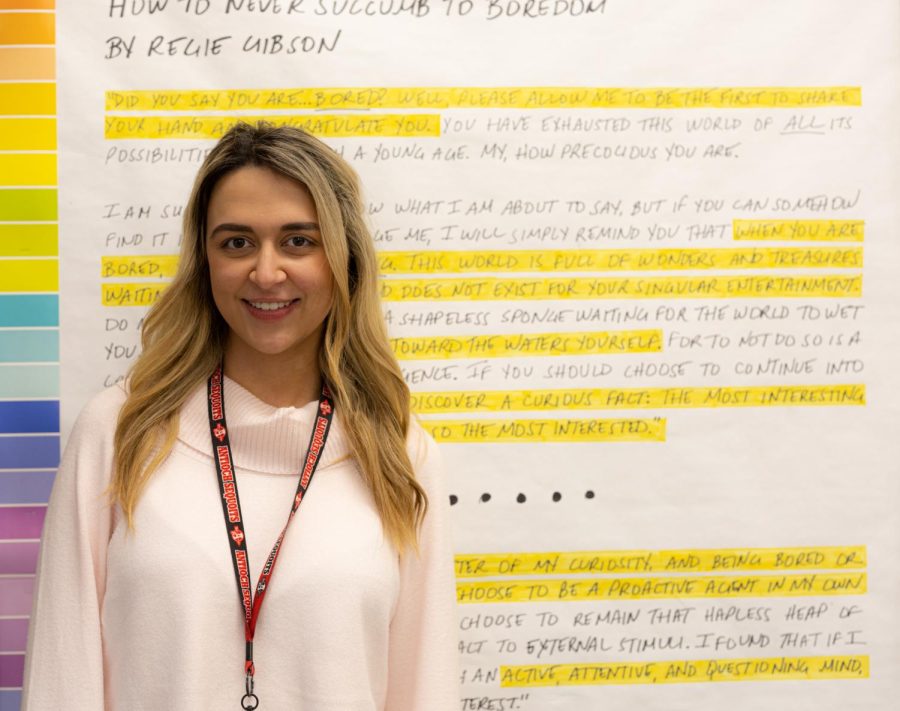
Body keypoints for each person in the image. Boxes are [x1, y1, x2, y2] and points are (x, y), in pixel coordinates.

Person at [22, 122, 459, 710]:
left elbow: (424, 688)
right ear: (204, 261)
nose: (267, 272)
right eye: (236, 242)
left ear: (344, 257)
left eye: (299, 241)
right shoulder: (120, 432)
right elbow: (61, 678)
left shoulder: (398, 452)